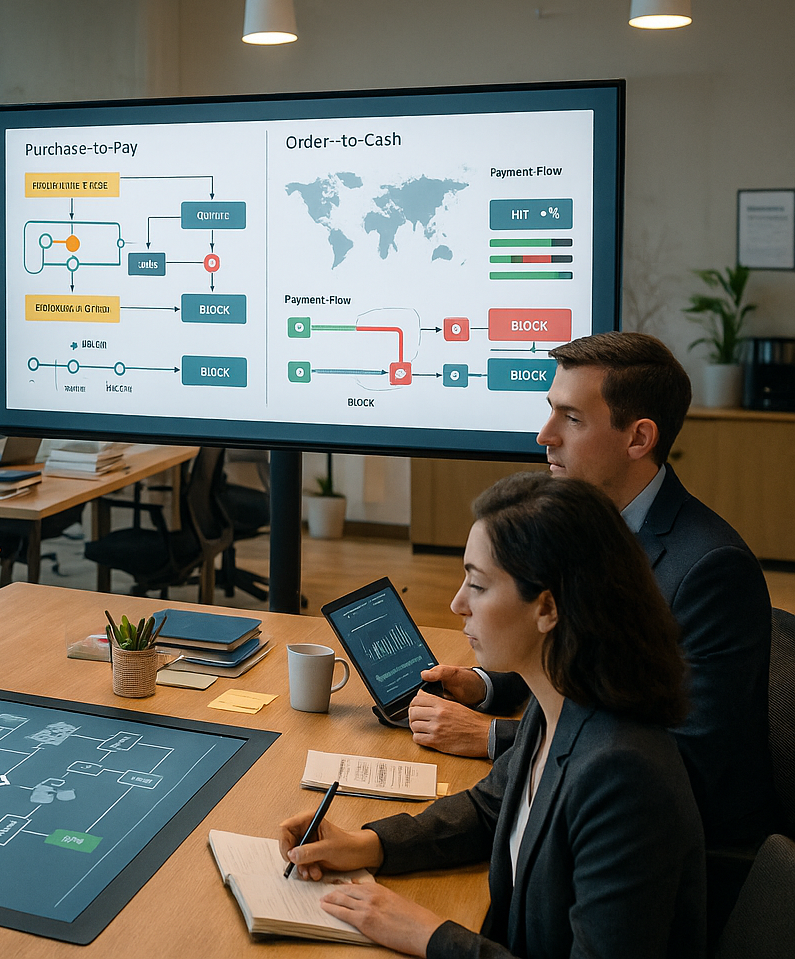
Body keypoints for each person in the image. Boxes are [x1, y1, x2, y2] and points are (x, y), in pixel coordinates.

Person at [280, 473, 705, 959]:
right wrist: (368, 844)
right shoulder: (562, 706)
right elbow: (488, 808)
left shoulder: (623, 775)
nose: (457, 603)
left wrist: (429, 934)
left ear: (547, 608)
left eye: (477, 585)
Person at [406, 332, 776, 850]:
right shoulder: (582, 527)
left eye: (571, 419)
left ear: (638, 439)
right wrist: (488, 686)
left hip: (674, 854)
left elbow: (684, 753)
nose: (545, 435)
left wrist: (493, 737)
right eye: (551, 410)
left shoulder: (712, 570)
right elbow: (589, 657)